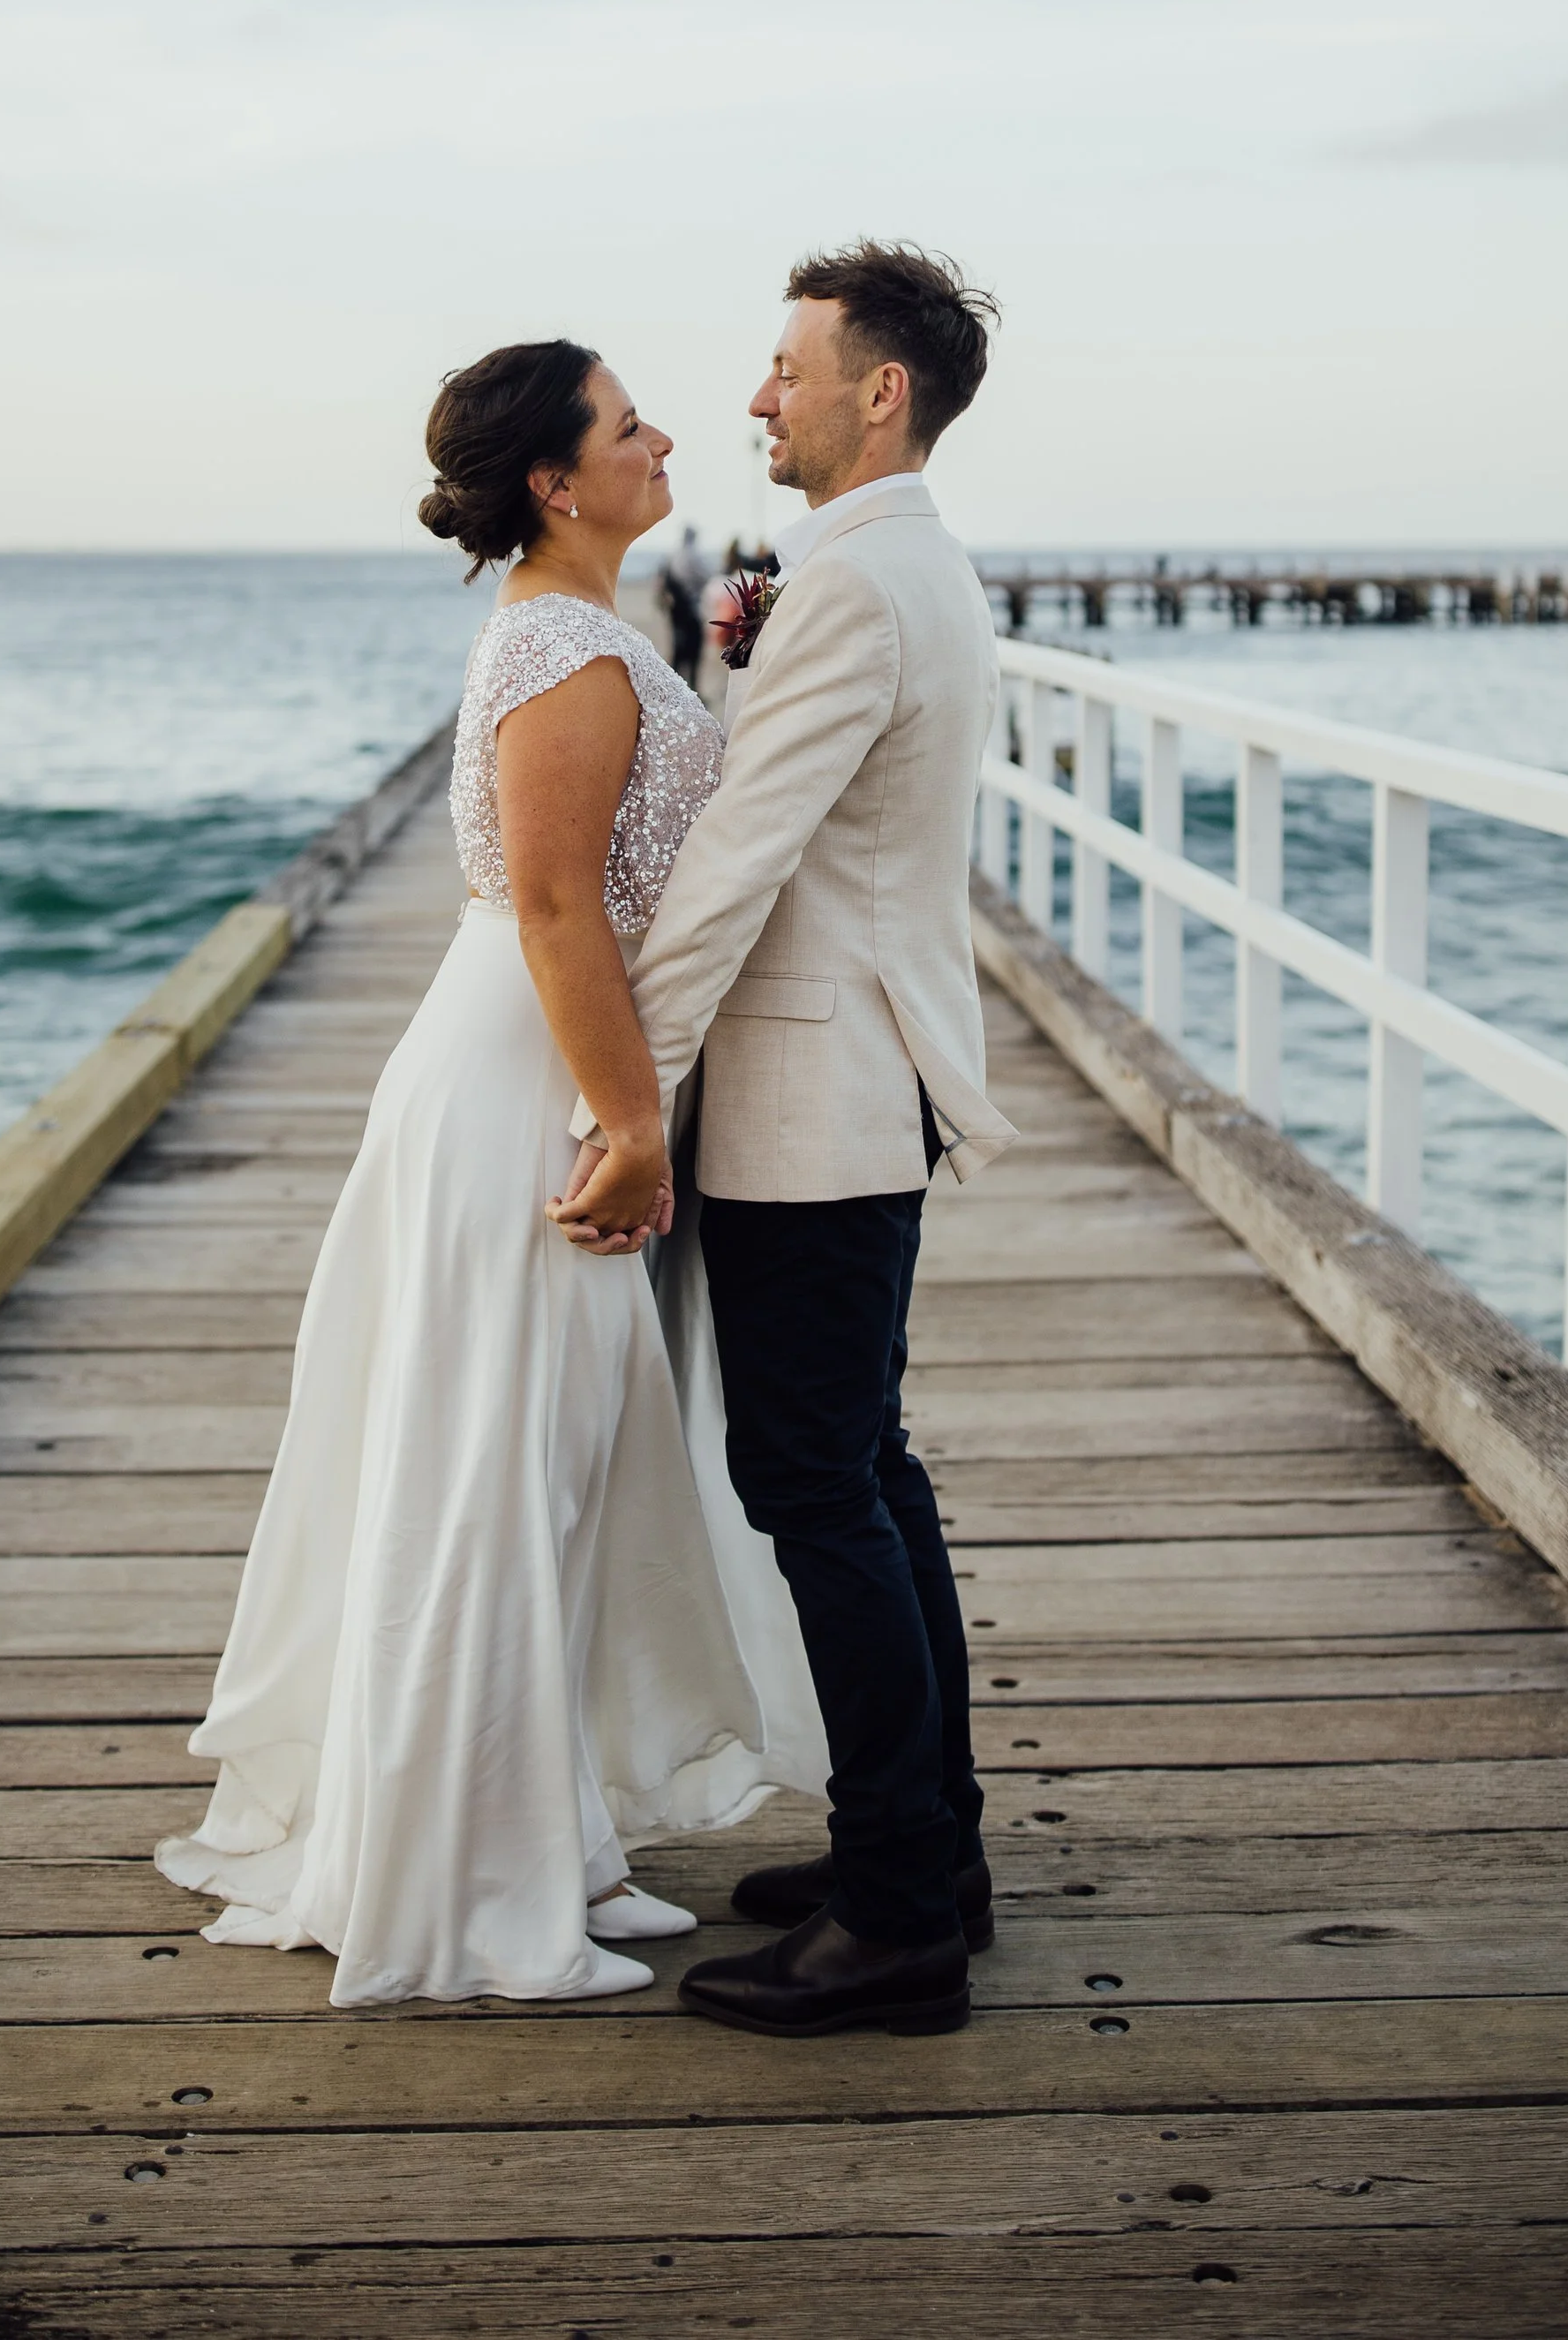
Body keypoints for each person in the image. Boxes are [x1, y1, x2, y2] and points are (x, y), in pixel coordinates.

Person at [156, 341, 822, 2006]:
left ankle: (555, 1839)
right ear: (553, 476)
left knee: (558, 1464)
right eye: (626, 423)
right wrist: (635, 1121)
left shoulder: (581, 631)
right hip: (523, 1083)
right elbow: (551, 907)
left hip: (546, 1068)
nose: (665, 436)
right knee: (497, 1470)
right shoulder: (559, 649)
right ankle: (466, 1888)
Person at [557, 241, 1014, 2041]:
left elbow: (742, 860)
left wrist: (627, 1106)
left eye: (784, 365)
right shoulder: (893, 564)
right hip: (856, 1080)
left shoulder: (851, 586)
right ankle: (926, 1851)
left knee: (819, 1486)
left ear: (873, 390)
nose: (757, 395)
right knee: (865, 1476)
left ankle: (901, 1914)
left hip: (812, 1097)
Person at [661, 522, 713, 689]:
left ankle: (673, 687)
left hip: (676, 610)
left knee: (678, 648)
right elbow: (705, 575)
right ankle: (691, 688)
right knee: (693, 651)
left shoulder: (674, 554)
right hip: (691, 607)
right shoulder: (692, 555)